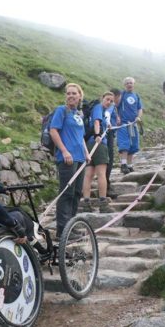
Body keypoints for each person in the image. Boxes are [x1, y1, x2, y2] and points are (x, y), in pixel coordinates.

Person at [49, 83, 90, 238]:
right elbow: (53, 131)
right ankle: (62, 230)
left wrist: (86, 153)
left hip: (80, 158)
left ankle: (70, 227)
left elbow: (81, 137)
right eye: (68, 93)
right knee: (67, 193)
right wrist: (65, 151)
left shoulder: (78, 115)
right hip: (67, 158)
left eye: (74, 93)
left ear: (80, 96)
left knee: (77, 193)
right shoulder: (62, 110)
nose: (71, 95)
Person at [81, 92, 115, 213]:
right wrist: (97, 135)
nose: (109, 102)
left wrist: (108, 125)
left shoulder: (101, 110)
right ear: (102, 98)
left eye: (111, 101)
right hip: (98, 143)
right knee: (101, 174)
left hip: (88, 144)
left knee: (88, 174)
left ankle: (86, 203)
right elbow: (96, 122)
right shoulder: (98, 108)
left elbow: (100, 122)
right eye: (107, 99)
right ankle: (103, 204)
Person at [116, 77, 143, 174]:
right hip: (123, 124)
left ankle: (130, 165)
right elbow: (115, 105)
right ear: (124, 85)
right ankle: (123, 165)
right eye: (127, 83)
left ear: (134, 84)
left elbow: (140, 109)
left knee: (133, 145)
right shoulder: (122, 95)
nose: (129, 84)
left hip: (133, 124)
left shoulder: (136, 95)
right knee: (124, 144)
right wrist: (117, 116)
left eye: (131, 83)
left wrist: (138, 117)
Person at [105, 88, 119, 199]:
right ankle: (106, 187)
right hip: (107, 133)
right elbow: (107, 115)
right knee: (108, 159)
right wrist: (109, 123)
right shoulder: (111, 106)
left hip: (109, 133)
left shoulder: (111, 106)